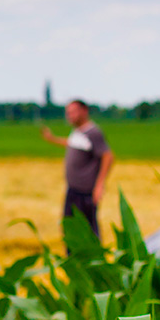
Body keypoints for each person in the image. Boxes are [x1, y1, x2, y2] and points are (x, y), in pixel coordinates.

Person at [41, 99, 115, 236]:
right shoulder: (78, 132)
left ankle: (93, 257)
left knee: (87, 231)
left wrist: (99, 185)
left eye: (73, 112)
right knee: (71, 229)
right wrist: (52, 139)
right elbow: (73, 144)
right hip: (73, 190)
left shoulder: (93, 133)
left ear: (84, 111)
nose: (69, 115)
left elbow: (107, 156)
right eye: (68, 112)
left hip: (85, 193)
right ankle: (73, 257)